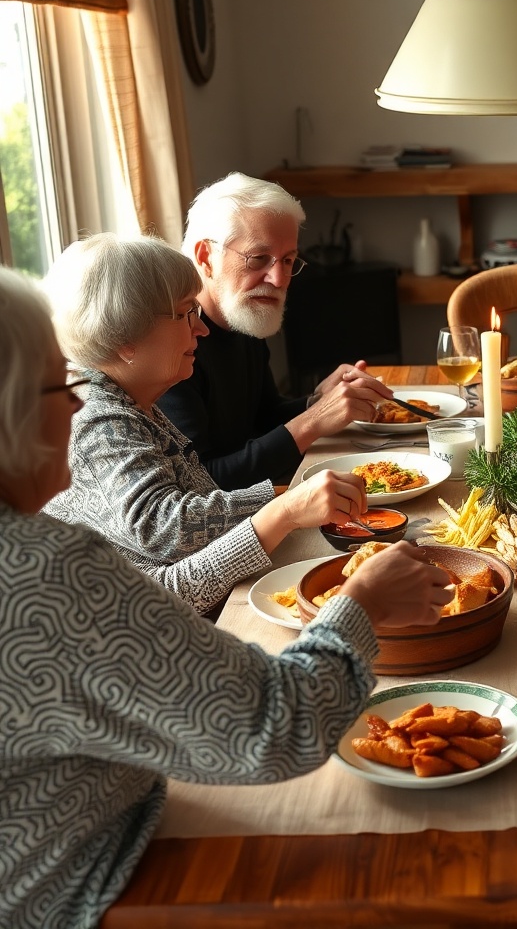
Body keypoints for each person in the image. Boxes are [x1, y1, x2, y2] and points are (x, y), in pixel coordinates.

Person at [0, 266, 453, 929]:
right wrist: (360, 603)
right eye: (56, 382)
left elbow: (137, 611)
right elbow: (282, 726)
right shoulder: (42, 571)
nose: (75, 403)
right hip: (77, 889)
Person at [42, 233, 377, 616]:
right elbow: (171, 542)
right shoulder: (95, 421)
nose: (201, 329)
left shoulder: (129, 400)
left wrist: (295, 499)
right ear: (124, 336)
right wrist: (284, 507)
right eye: (186, 313)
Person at [158, 172, 391, 490]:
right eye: (258, 259)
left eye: (288, 260)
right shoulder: (170, 345)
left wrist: (318, 401)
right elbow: (205, 481)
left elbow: (262, 417)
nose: (279, 279)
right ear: (205, 257)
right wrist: (313, 419)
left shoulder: (240, 317)